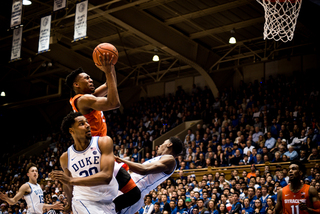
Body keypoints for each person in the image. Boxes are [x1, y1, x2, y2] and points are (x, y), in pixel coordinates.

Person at [65, 55, 140, 211]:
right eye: (87, 78)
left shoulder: (85, 98)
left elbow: (110, 84)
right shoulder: (83, 100)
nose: (91, 80)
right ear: (77, 84)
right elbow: (114, 103)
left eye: (91, 78)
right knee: (133, 194)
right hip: (97, 153)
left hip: (99, 151)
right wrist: (107, 71)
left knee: (127, 194)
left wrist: (110, 68)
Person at [51, 112, 119, 214]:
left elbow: (106, 176)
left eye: (87, 122)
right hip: (83, 201)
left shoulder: (103, 142)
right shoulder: (66, 157)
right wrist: (69, 202)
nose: (87, 125)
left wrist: (71, 180)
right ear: (71, 130)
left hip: (108, 201)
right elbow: (67, 184)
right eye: (81, 124)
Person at [114, 136, 184, 214]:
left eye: (163, 143)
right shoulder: (161, 158)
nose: (160, 146)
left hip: (133, 192)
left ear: (169, 144)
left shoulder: (170, 160)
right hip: (128, 188)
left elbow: (143, 169)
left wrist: (119, 160)